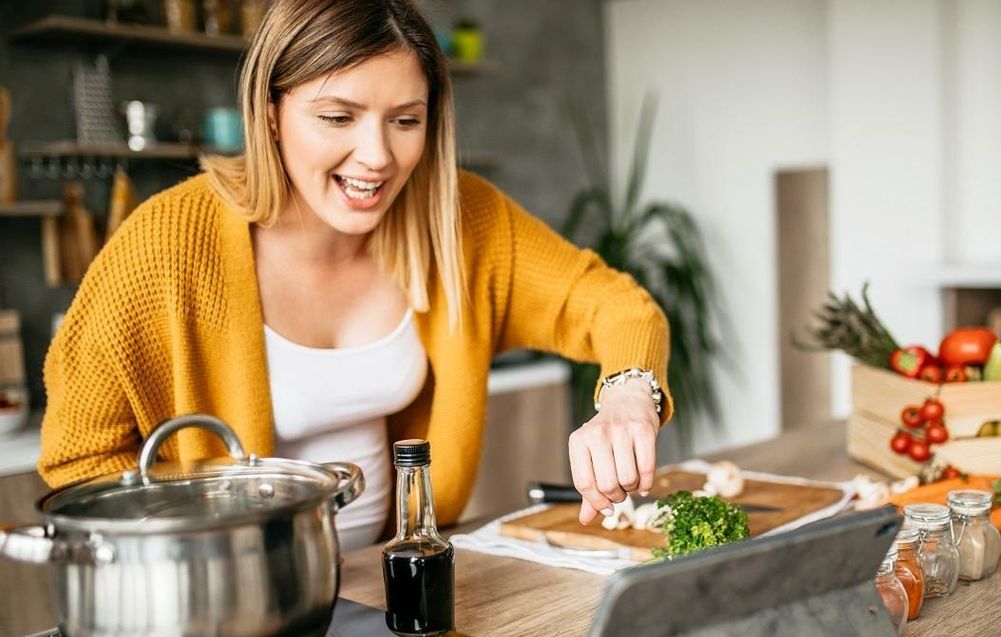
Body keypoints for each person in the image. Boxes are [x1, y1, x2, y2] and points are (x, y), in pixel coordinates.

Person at [38, 0, 670, 551]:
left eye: (405, 120)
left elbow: (615, 306)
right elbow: (80, 461)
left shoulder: (457, 216)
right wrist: (207, 567)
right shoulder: (167, 242)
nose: (378, 157)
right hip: (222, 615)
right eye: (338, 118)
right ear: (271, 113)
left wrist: (626, 395)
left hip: (389, 595)